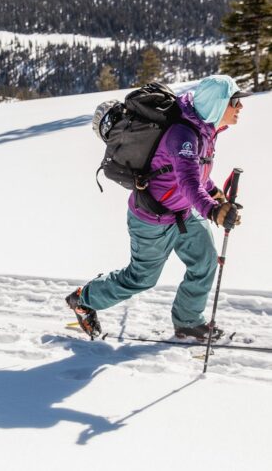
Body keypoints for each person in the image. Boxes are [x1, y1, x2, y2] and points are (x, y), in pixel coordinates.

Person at [66, 75, 250, 340]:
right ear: (218, 104)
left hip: (184, 214)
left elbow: (195, 173)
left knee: (205, 261)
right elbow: (187, 182)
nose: (240, 107)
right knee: (140, 278)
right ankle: (84, 299)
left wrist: (214, 194)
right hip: (152, 221)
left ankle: (188, 322)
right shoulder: (183, 135)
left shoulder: (206, 128)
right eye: (235, 101)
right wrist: (212, 210)